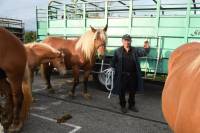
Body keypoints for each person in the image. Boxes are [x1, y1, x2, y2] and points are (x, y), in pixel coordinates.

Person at [111, 34, 150, 113]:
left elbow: (144, 53)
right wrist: (112, 67)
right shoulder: (118, 51)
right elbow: (113, 61)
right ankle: (123, 106)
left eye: (128, 40)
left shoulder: (135, 50)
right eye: (125, 40)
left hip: (133, 75)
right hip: (122, 75)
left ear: (131, 41)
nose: (127, 42)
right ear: (122, 41)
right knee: (122, 91)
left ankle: (131, 105)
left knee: (133, 91)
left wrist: (147, 47)